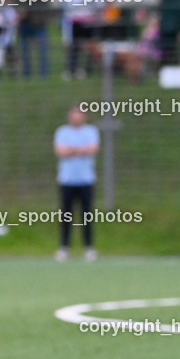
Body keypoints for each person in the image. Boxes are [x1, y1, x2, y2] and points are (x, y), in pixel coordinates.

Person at [54, 105, 99, 261]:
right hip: (67, 180)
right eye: (74, 115)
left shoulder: (91, 131)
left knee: (86, 215)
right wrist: (81, 150)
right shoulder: (62, 132)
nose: (76, 118)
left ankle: (89, 247)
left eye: (79, 115)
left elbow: (92, 149)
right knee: (66, 216)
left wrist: (71, 151)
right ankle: (64, 247)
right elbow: (61, 152)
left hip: (86, 180)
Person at [63, 0, 102, 80]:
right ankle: (87, 70)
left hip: (75, 17)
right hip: (89, 16)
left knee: (75, 45)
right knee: (90, 45)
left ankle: (71, 69)